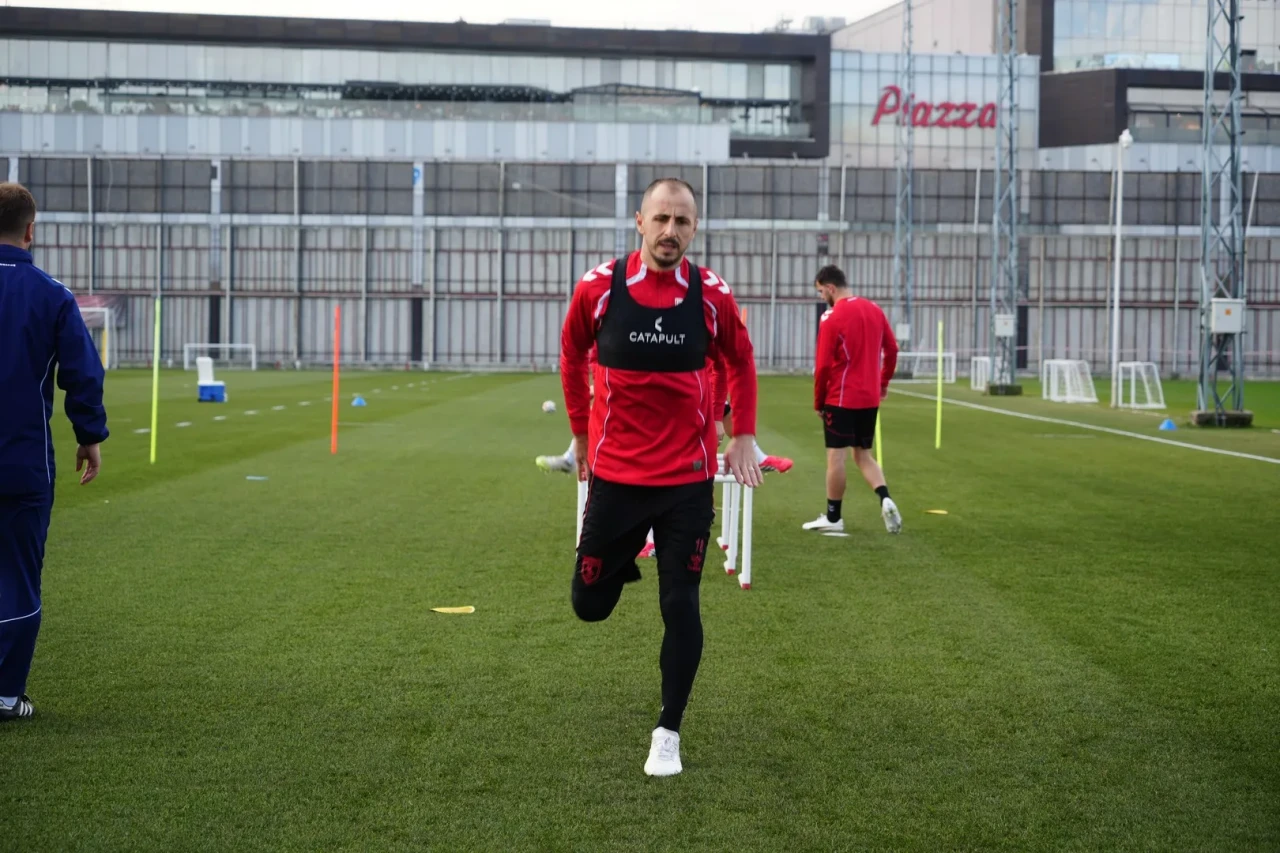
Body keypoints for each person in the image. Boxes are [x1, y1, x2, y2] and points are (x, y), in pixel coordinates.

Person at [560, 177, 760, 777]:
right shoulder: (598, 289)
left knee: (681, 601)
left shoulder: (711, 295)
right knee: (589, 605)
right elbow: (571, 355)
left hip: (685, 481)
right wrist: (579, 433)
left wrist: (742, 433)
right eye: (662, 219)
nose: (671, 231)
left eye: (683, 222)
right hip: (617, 478)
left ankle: (667, 731)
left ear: (694, 229)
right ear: (639, 221)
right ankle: (621, 560)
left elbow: (740, 359)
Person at [0, 182, 109, 722]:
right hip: (22, 464)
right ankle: (5, 695)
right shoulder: (53, 295)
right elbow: (82, 374)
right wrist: (89, 435)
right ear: (30, 230)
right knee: (17, 576)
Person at [803, 264, 902, 535]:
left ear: (830, 287)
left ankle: (833, 517)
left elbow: (823, 366)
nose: (822, 297)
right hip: (869, 398)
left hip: (841, 398)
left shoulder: (831, 317)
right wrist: (883, 383)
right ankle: (885, 498)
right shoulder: (874, 309)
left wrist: (818, 401)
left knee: (836, 457)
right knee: (863, 455)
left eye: (821, 292)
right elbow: (892, 349)